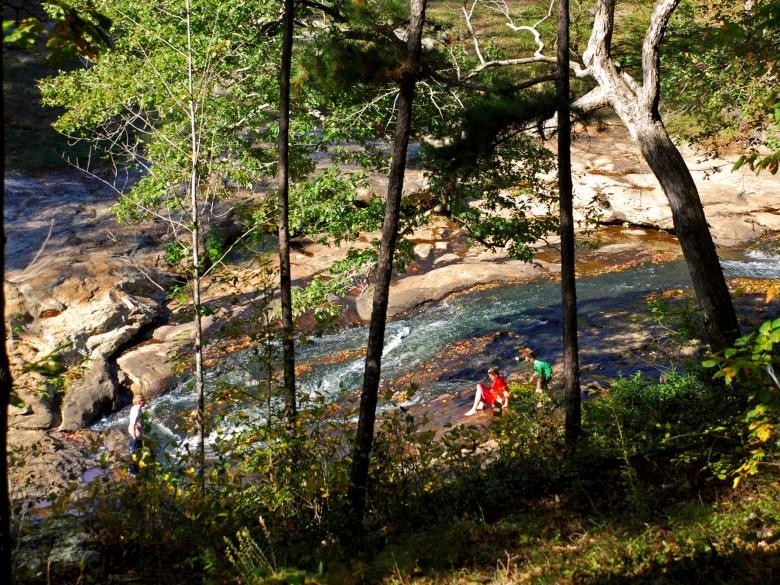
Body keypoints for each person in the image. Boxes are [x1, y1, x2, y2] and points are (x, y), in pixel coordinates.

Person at [128, 394, 145, 474]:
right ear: (139, 401)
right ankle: (132, 471)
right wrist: (134, 436)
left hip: (138, 433)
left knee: (138, 452)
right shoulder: (136, 409)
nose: (144, 401)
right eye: (143, 400)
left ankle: (136, 470)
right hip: (134, 434)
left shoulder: (137, 408)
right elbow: (132, 423)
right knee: (134, 452)